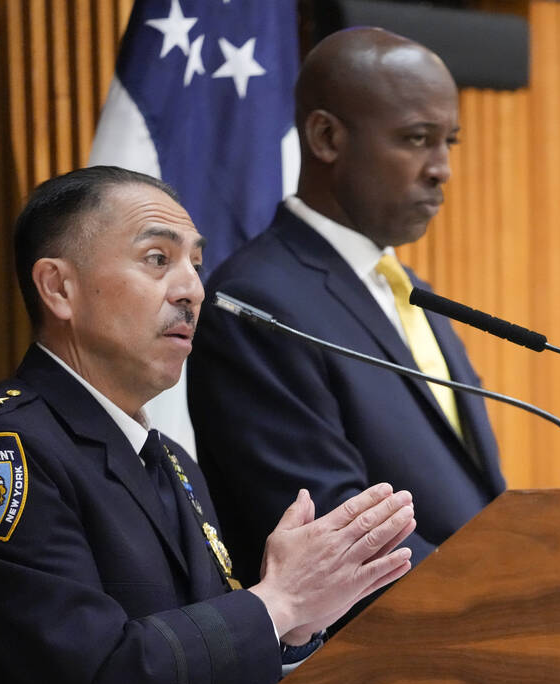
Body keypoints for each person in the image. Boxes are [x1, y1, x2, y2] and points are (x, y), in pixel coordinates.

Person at [0, 166, 416, 684]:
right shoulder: (0, 456)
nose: (193, 289)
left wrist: (295, 631)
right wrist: (275, 603)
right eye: (156, 258)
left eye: (196, 264)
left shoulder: (172, 463)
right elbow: (95, 681)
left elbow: (205, 683)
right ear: (58, 287)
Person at [188, 28, 505, 595]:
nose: (442, 168)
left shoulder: (407, 290)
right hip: (377, 662)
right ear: (327, 137)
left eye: (448, 142)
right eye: (416, 138)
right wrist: (511, 594)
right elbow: (340, 538)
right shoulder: (257, 306)